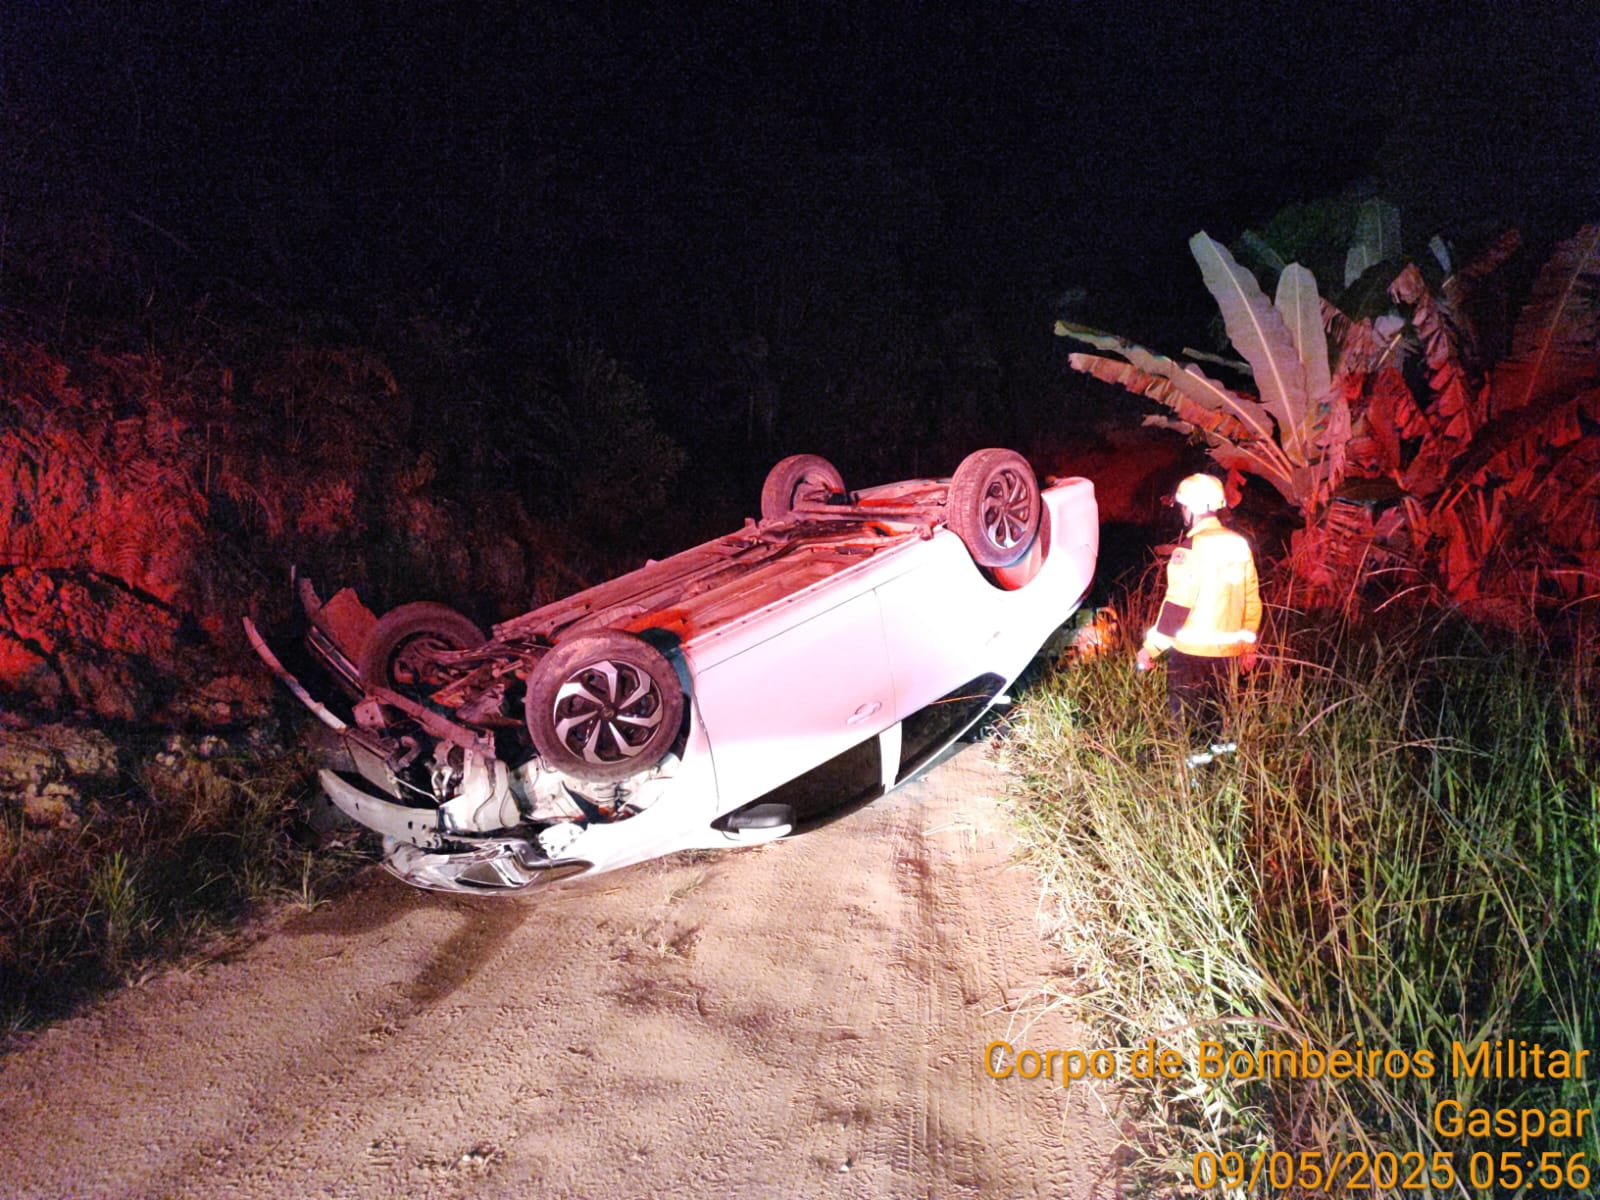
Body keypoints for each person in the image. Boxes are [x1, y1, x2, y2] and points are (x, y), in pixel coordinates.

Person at [1134, 473, 1261, 767]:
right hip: (1229, 658)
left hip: (1191, 659)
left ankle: (1192, 789)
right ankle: (1222, 777)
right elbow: (1252, 599)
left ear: (1190, 509)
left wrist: (1149, 650)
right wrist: (1248, 647)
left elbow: (1177, 609)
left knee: (1190, 732)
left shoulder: (1190, 549)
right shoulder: (1239, 544)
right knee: (1220, 726)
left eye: (1182, 507)